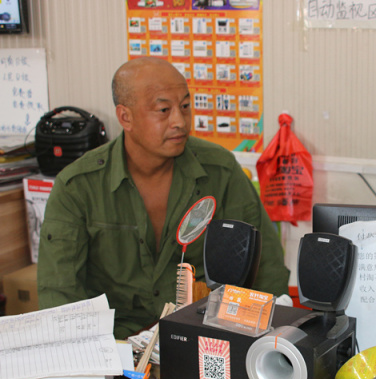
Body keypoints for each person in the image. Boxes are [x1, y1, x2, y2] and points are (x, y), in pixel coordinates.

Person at [37, 57, 290, 339]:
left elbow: (264, 265)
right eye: (163, 110)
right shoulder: (78, 186)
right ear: (125, 117)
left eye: (185, 106)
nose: (179, 121)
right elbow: (59, 292)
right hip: (116, 341)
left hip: (202, 336)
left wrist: (268, 343)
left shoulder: (220, 171)